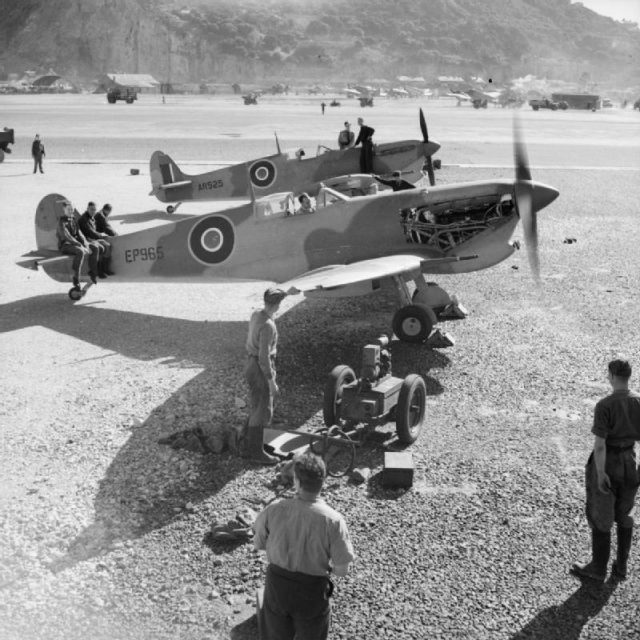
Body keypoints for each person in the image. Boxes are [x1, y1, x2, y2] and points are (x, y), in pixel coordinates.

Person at [253, 451, 355, 640]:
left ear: (297, 482)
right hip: (312, 591)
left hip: (278, 587)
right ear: (322, 482)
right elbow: (342, 570)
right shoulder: (334, 521)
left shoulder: (273, 510)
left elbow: (259, 544)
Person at [571, 359, 640, 582]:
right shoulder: (639, 402)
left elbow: (600, 444)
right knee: (626, 514)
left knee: (602, 515)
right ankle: (621, 568)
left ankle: (598, 568)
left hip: (608, 461)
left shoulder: (605, 405)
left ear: (611, 376)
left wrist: (600, 473)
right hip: (630, 461)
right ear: (628, 376)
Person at [243, 287, 288, 465]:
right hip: (260, 367)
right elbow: (264, 357)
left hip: (250, 363)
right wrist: (271, 382)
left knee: (256, 405)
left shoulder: (256, 314)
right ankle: (256, 452)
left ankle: (246, 445)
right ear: (277, 305)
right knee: (262, 409)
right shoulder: (269, 326)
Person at [56, 201, 101, 286]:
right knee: (80, 251)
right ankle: (76, 278)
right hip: (65, 245)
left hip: (75, 243)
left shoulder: (73, 220)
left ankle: (93, 273)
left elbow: (79, 233)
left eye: (72, 209)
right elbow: (67, 236)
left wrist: (86, 244)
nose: (71, 211)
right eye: (68, 209)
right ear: (64, 210)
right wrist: (80, 245)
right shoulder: (61, 222)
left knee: (95, 247)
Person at [78, 202, 114, 277]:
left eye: (94, 210)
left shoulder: (92, 218)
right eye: (91, 209)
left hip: (92, 239)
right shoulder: (83, 219)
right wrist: (101, 236)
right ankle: (98, 270)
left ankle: (105, 269)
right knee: (100, 248)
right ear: (87, 209)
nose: (93, 211)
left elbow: (94, 231)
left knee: (107, 245)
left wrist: (101, 236)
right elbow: (90, 232)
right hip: (85, 240)